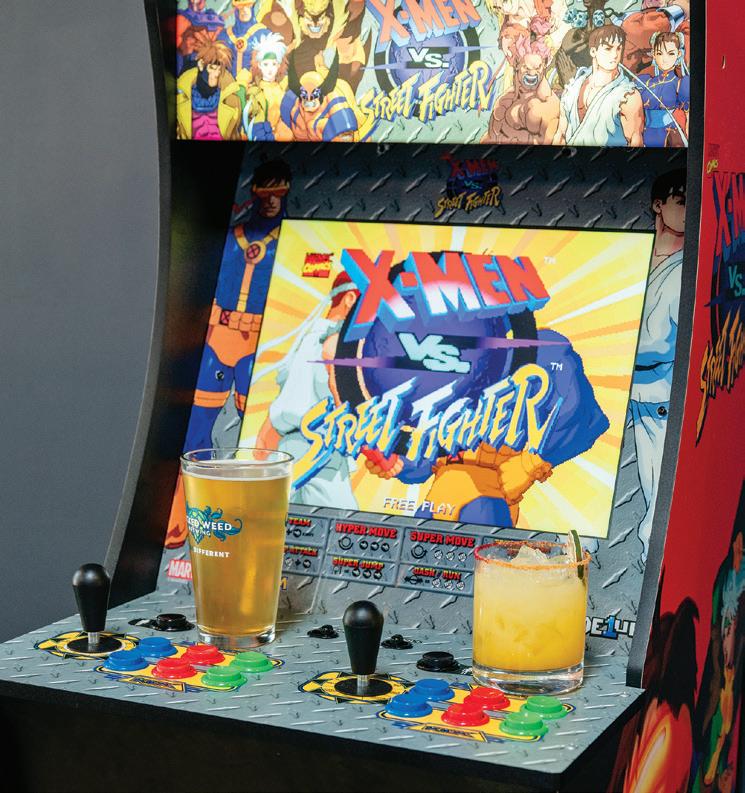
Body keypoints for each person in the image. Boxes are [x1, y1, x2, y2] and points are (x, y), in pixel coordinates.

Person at [255, 272, 361, 508]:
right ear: (350, 299)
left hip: (288, 449)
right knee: (342, 524)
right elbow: (340, 393)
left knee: (282, 522)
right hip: (321, 451)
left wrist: (267, 432)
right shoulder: (337, 340)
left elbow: (288, 391)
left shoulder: (309, 337)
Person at [629, 169, 685, 562]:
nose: (688, 209)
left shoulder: (686, 267)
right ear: (658, 205)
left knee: (659, 497)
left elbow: (659, 342)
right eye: (680, 201)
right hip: (630, 391)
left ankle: (655, 562)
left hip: (660, 395)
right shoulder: (639, 257)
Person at [554, 24, 644, 146]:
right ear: (593, 51)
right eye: (608, 49)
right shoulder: (573, 89)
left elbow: (635, 141)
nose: (615, 55)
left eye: (618, 48)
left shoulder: (628, 96)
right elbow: (560, 135)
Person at [176, 33, 243, 140]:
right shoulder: (182, 98)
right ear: (201, 65)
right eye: (212, 68)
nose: (216, 74)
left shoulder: (231, 100)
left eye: (219, 70)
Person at [639, 32, 689, 147]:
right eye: (659, 53)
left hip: (669, 133)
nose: (664, 59)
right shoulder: (644, 81)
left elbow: (688, 117)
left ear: (678, 54)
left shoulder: (681, 83)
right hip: (644, 132)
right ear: (653, 54)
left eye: (670, 54)